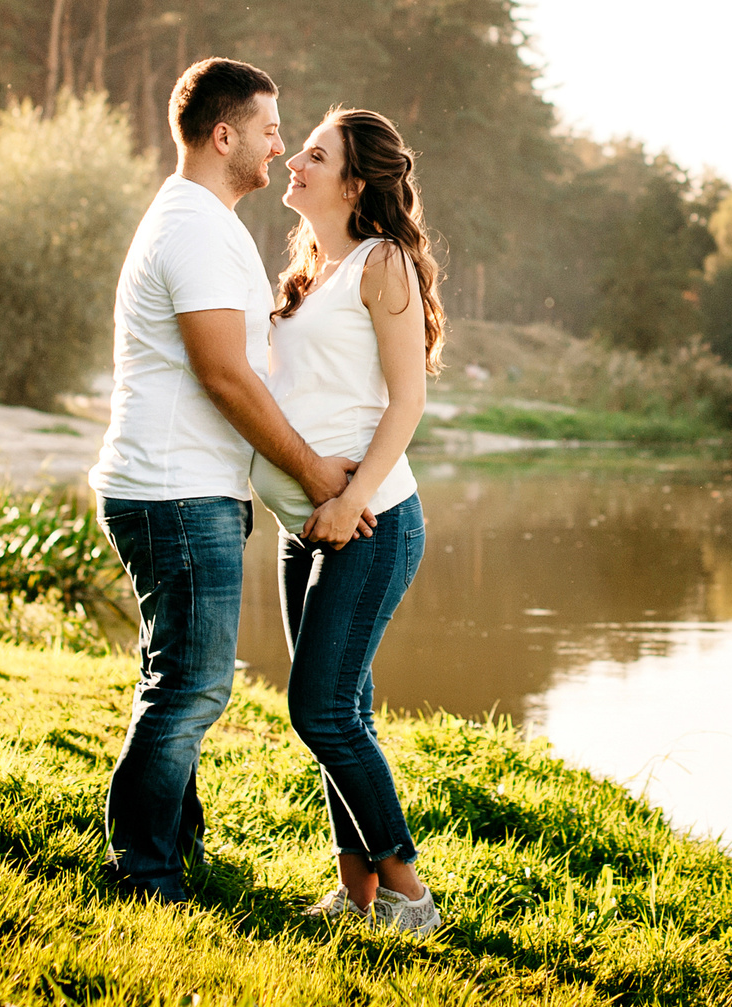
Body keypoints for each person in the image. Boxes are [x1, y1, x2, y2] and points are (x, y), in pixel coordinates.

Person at [88, 57, 372, 904]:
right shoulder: (197, 230)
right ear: (224, 135)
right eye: (270, 128)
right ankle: (144, 875)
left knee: (174, 675)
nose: (281, 145)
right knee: (190, 686)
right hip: (175, 492)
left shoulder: (200, 220)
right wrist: (318, 470)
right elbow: (225, 376)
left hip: (177, 486)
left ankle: (175, 844)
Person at [261, 107, 442, 932]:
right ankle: (359, 893)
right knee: (343, 710)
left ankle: (408, 893)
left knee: (323, 710)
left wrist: (348, 499)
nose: (292, 159)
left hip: (371, 521)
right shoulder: (308, 271)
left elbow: (408, 401)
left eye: (314, 153)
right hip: (308, 526)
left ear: (354, 181)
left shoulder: (384, 262)